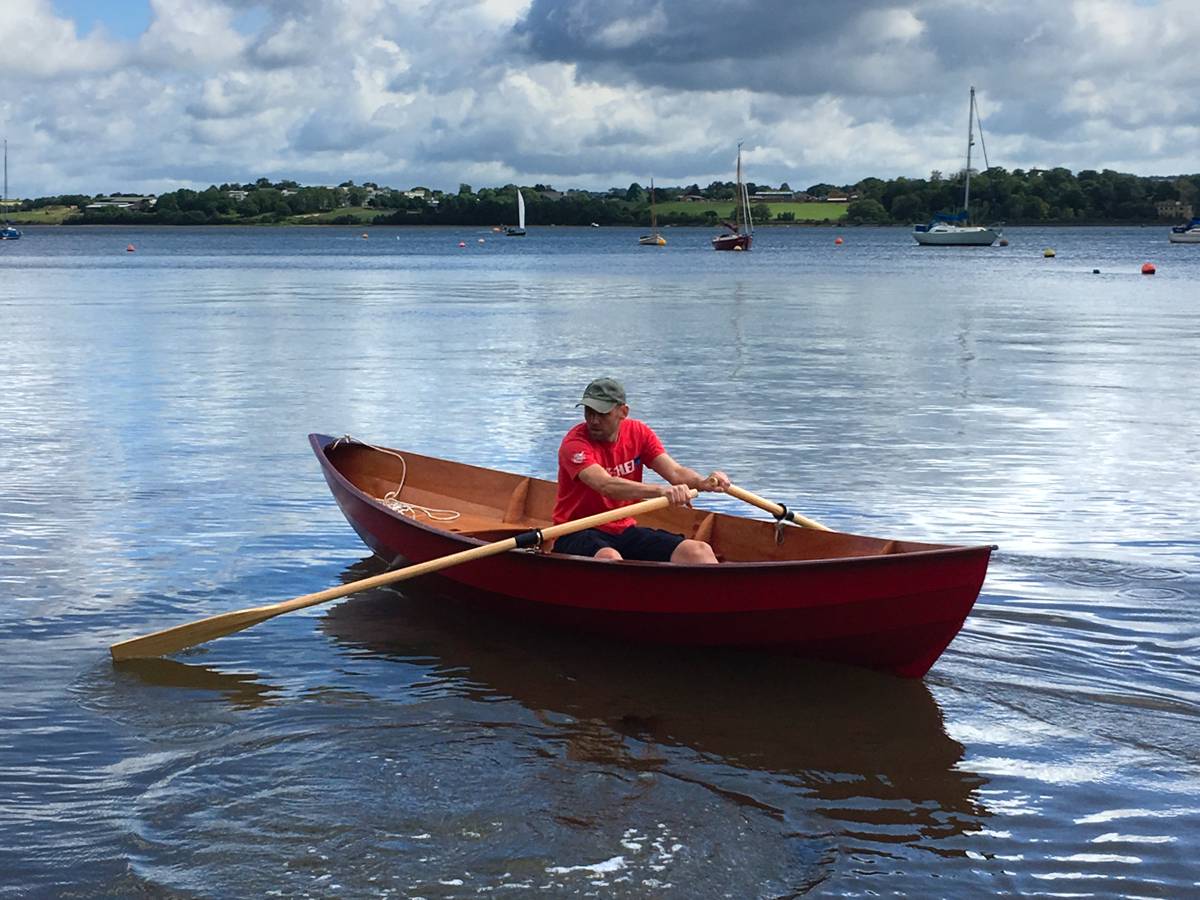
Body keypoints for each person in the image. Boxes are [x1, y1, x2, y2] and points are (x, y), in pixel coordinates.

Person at [552, 377, 730, 563]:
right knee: (609, 558)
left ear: (623, 412)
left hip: (623, 529)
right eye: (589, 412)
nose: (593, 420)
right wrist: (661, 491)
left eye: (602, 413)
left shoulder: (638, 433)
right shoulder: (574, 444)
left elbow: (676, 473)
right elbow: (606, 485)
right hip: (574, 531)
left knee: (699, 551)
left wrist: (704, 483)